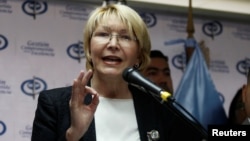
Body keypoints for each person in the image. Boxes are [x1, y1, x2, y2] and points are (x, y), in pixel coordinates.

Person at [31, 4, 207, 141]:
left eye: (125, 37)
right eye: (103, 34)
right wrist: (73, 135)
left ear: (139, 55)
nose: (113, 44)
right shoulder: (55, 105)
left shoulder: (158, 108)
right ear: (89, 49)